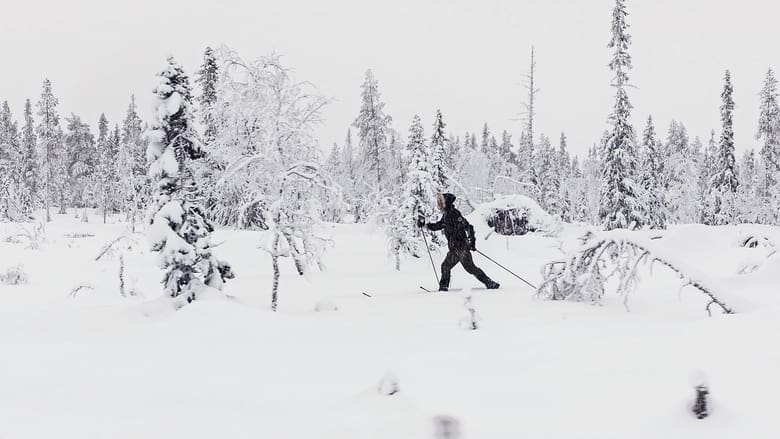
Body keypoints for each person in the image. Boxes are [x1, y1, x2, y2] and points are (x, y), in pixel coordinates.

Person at [418, 193, 499, 291]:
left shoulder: (454, 214)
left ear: (446, 202)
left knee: (465, 268)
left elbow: (469, 227)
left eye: (441, 202)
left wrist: (472, 242)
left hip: (461, 248)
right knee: (452, 267)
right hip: (455, 249)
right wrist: (425, 225)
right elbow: (438, 225)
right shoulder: (446, 215)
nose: (439, 205)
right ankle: (489, 283)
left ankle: (489, 283)